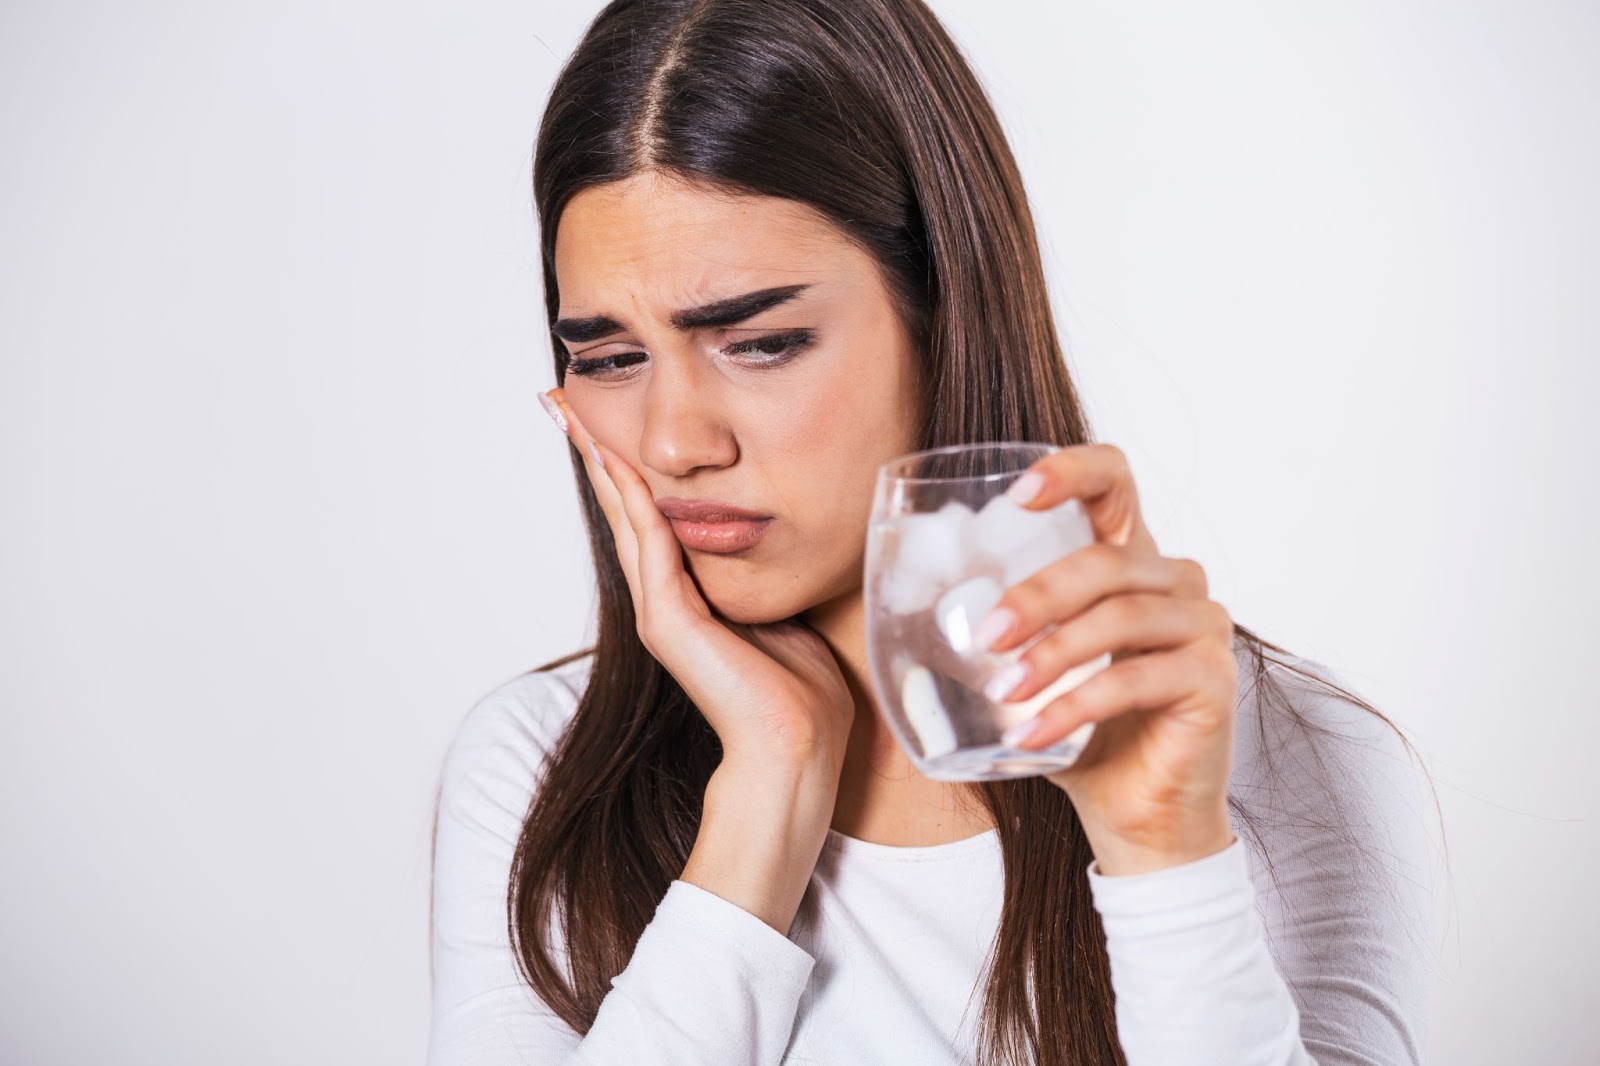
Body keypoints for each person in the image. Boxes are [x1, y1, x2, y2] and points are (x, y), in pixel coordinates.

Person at [427, 1, 1435, 1063]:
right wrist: (764, 801)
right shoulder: (536, 771)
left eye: (760, 343)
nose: (674, 442)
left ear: (945, 310)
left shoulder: (1288, 765)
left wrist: (1162, 857)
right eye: (608, 357)